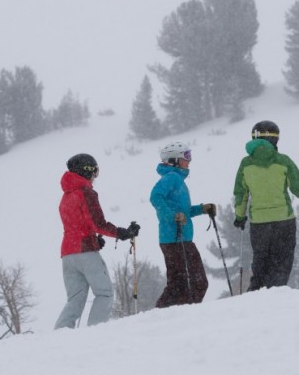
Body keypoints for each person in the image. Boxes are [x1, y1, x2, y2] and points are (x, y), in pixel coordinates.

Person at [233, 120, 299, 291]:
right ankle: (275, 299)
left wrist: (239, 217)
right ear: (275, 140)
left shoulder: (246, 164)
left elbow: (240, 194)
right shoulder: (283, 161)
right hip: (284, 222)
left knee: (260, 266)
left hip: (259, 224)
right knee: (281, 266)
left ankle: (254, 299)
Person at [56, 153, 139, 329]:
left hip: (67, 254)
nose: (95, 177)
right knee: (105, 294)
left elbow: (77, 225)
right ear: (86, 171)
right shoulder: (85, 192)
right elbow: (97, 223)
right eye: (95, 172)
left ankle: (60, 334)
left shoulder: (66, 196)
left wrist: (94, 240)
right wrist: (122, 233)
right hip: (85, 253)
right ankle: (95, 331)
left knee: (75, 299)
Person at [150, 141, 214, 308]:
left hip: (180, 237)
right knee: (192, 282)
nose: (189, 160)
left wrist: (202, 209)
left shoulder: (177, 179)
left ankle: (172, 313)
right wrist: (172, 216)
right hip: (175, 238)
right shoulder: (171, 178)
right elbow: (155, 197)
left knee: (182, 283)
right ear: (174, 160)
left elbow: (183, 212)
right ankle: (166, 313)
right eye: (186, 156)